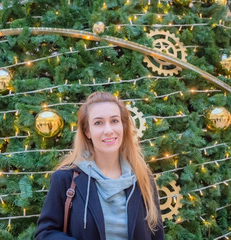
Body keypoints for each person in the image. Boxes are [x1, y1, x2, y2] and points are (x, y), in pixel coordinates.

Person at [34, 91, 164, 240]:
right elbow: (45, 234)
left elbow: (157, 234)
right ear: (87, 131)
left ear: (123, 126)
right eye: (98, 123)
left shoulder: (142, 177)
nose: (108, 130)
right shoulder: (65, 178)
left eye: (114, 121)